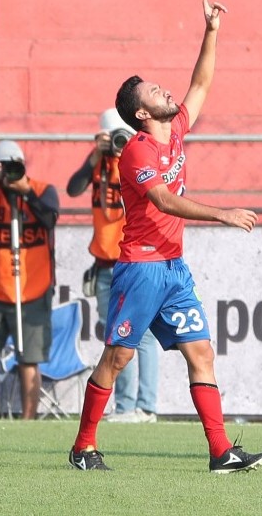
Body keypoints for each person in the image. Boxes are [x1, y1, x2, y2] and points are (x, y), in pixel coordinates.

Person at [68, 0, 262, 473]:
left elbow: (200, 84)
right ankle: (84, 447)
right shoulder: (136, 150)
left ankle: (221, 452)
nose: (165, 92)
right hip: (140, 268)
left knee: (201, 351)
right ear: (141, 114)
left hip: (174, 269)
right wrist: (220, 214)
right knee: (117, 358)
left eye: (160, 87)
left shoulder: (175, 129)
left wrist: (211, 32)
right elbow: (162, 199)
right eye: (154, 93)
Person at [66, 109, 159, 424]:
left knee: (138, 335)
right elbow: (73, 188)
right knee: (116, 336)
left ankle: (142, 406)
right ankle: (126, 406)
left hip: (132, 259)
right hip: (105, 261)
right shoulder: (100, 163)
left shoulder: (137, 159)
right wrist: (95, 156)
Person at [0, 140, 60, 420]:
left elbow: (50, 220)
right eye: (3, 167)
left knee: (28, 358)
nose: (9, 173)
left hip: (33, 288)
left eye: (14, 167)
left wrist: (27, 192)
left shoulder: (43, 190)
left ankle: (28, 417)